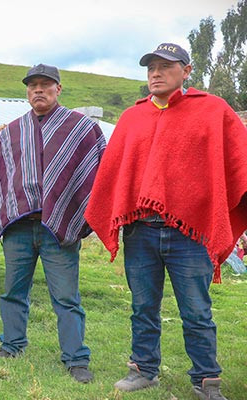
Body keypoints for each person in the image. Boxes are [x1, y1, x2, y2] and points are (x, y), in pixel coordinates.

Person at [85, 43, 247, 400]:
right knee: (143, 306)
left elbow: (239, 161)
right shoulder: (133, 117)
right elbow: (115, 173)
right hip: (141, 230)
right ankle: (143, 369)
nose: (155, 73)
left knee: (196, 310)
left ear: (186, 71)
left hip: (191, 232)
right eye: (150, 68)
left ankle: (206, 380)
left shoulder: (211, 110)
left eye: (165, 67)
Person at [0, 64, 106, 383]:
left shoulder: (80, 128)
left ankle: (76, 358)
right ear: (27, 90)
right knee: (12, 292)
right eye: (32, 85)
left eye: (45, 85)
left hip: (58, 228)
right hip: (19, 227)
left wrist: (82, 215)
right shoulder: (10, 132)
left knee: (66, 296)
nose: (38, 90)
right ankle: (11, 345)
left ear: (58, 89)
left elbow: (98, 174)